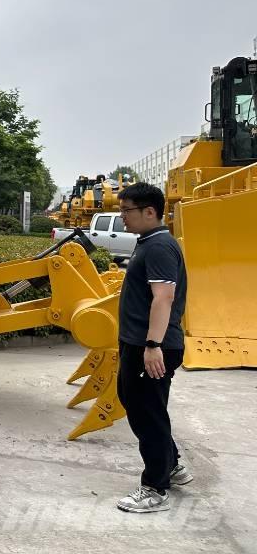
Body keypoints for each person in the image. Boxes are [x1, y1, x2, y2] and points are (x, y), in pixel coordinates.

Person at [114, 182, 192, 513]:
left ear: (149, 212)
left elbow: (164, 297)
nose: (122, 218)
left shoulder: (159, 246)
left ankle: (155, 486)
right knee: (139, 404)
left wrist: (152, 345)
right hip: (141, 343)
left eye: (127, 211)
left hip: (152, 346)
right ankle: (171, 463)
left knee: (147, 413)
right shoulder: (150, 243)